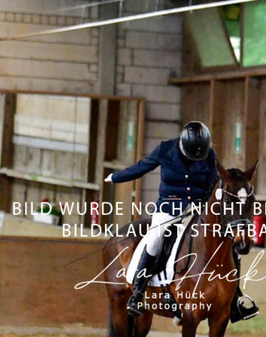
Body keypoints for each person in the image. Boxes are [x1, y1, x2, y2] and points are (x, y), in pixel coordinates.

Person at [105, 121, 258, 322]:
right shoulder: (165, 150)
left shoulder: (210, 155)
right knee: (155, 239)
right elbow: (142, 167)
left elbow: (213, 183)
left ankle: (235, 299)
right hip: (169, 209)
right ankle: (138, 293)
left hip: (197, 209)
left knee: (228, 243)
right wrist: (116, 177)